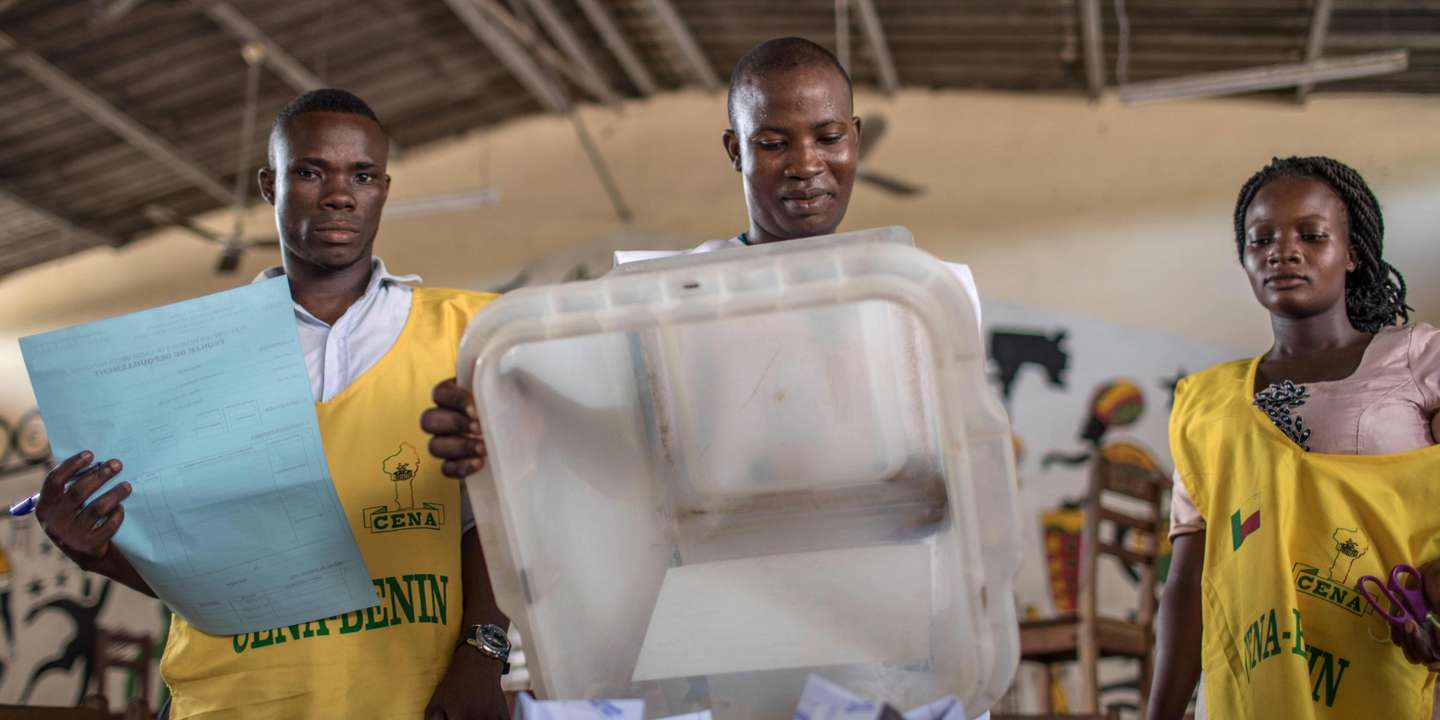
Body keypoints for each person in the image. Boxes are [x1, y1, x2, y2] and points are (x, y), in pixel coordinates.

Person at [34, 89, 510, 719]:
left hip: (412, 695)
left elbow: (510, 514)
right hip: (231, 700)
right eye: (310, 171)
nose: (340, 194)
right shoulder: (180, 361)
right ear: (270, 184)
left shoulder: (473, 332)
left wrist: (484, 655)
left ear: (384, 190)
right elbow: (197, 570)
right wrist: (92, 548)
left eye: (362, 175)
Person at [423, 36, 980, 478]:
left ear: (854, 138)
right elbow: (607, 442)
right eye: (772, 143)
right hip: (727, 594)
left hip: (892, 594)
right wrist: (502, 421)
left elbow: (959, 462)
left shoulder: (928, 296)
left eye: (828, 136)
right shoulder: (666, 300)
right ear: (735, 150)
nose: (806, 164)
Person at [1147, 156, 1440, 719]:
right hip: (1252, 690)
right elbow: (1189, 582)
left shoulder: (1419, 361)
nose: (1283, 250)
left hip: (1391, 670)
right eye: (1261, 239)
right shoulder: (1206, 405)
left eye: (1312, 234)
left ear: (1352, 252)